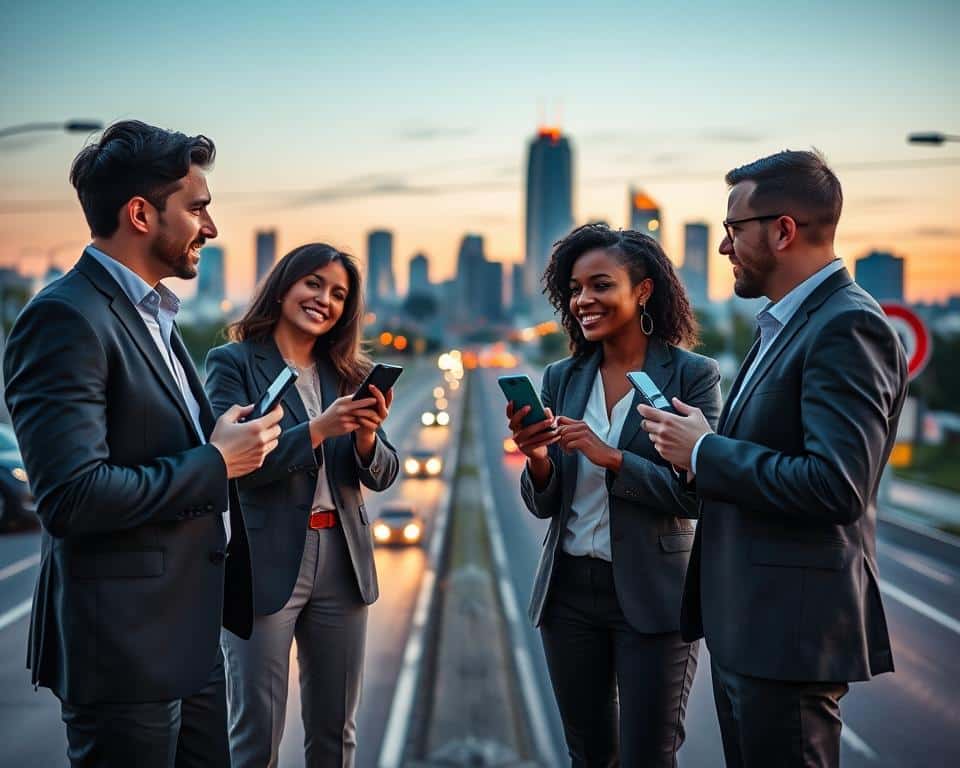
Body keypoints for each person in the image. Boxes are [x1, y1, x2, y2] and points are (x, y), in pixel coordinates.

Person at [2, 120, 282, 767]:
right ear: (139, 213)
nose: (210, 228)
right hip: (125, 652)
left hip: (190, 639)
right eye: (198, 208)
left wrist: (217, 442)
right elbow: (71, 498)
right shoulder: (64, 318)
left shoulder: (154, 314)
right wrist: (215, 461)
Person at [640, 150, 908, 768]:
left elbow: (836, 485)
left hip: (789, 636)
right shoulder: (780, 325)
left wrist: (705, 450)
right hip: (750, 627)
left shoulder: (847, 327)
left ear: (783, 230)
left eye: (734, 230)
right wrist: (700, 444)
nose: (725, 248)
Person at [508, 224, 722, 767]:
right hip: (568, 595)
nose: (584, 300)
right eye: (576, 289)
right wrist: (535, 456)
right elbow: (547, 503)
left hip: (654, 597)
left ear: (643, 291)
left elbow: (699, 495)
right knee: (589, 754)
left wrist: (613, 457)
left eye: (600, 285)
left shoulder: (692, 376)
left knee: (649, 755)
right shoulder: (562, 376)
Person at [205, 242, 399, 768]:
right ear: (285, 285)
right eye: (314, 283)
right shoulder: (234, 363)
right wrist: (319, 428)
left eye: (338, 294)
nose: (324, 299)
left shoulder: (348, 371)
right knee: (256, 734)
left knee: (336, 734)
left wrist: (363, 441)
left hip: (344, 558)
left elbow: (384, 472)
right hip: (264, 563)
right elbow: (234, 462)